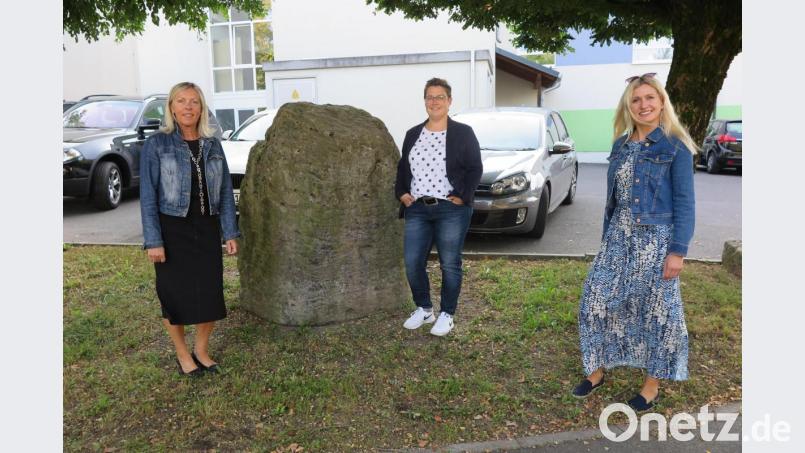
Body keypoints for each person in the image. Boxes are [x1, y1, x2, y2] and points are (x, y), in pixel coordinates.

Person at [573, 73, 697, 411]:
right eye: (636, 99)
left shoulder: (675, 146)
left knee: (657, 314)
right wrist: (605, 239)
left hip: (656, 241)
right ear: (629, 106)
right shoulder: (621, 145)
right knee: (594, 302)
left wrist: (678, 252)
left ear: (661, 103)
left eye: (649, 98)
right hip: (617, 237)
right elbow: (613, 200)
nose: (643, 105)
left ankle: (651, 386)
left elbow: (685, 203)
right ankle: (596, 371)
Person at [140, 82, 240, 377]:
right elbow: (148, 195)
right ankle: (183, 354)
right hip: (172, 230)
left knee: (209, 293)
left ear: (202, 108)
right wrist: (153, 240)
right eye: (181, 101)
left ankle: (201, 350)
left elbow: (223, 192)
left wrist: (230, 232)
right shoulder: (157, 144)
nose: (188, 107)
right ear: (171, 107)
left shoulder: (213, 143)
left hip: (206, 228)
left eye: (194, 102)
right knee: (174, 295)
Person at [395, 78, 483, 337]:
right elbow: (403, 168)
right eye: (430, 97)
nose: (434, 101)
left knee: (449, 264)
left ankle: (447, 313)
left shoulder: (463, 133)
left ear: (449, 101)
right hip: (418, 209)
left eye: (440, 97)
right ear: (425, 101)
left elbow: (475, 168)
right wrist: (401, 193)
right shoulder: (413, 134)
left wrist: (462, 196)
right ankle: (424, 309)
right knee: (412, 262)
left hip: (451, 209)